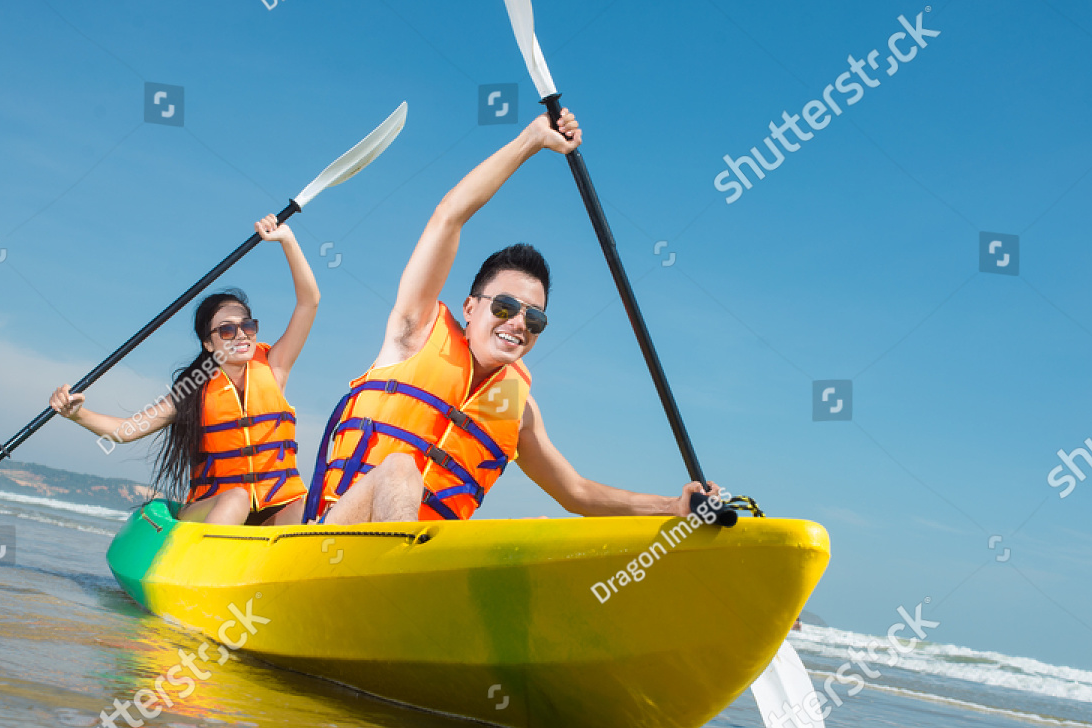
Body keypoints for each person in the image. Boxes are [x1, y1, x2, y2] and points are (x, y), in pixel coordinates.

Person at [304, 110, 718, 524]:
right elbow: (449, 214)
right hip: (337, 543)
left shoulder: (517, 410)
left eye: (534, 318)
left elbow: (577, 494)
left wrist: (674, 506)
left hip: (429, 557)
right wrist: (531, 140)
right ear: (470, 308)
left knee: (526, 533)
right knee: (399, 469)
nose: (518, 323)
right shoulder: (414, 331)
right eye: (504, 307)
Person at [49, 213, 318, 525]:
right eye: (227, 330)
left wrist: (287, 240)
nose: (242, 334)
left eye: (247, 325)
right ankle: (208, 567)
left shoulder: (274, 367)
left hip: (272, 509)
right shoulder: (193, 392)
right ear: (209, 344)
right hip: (213, 510)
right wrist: (76, 413)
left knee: (305, 505)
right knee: (237, 498)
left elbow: (308, 302)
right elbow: (124, 431)